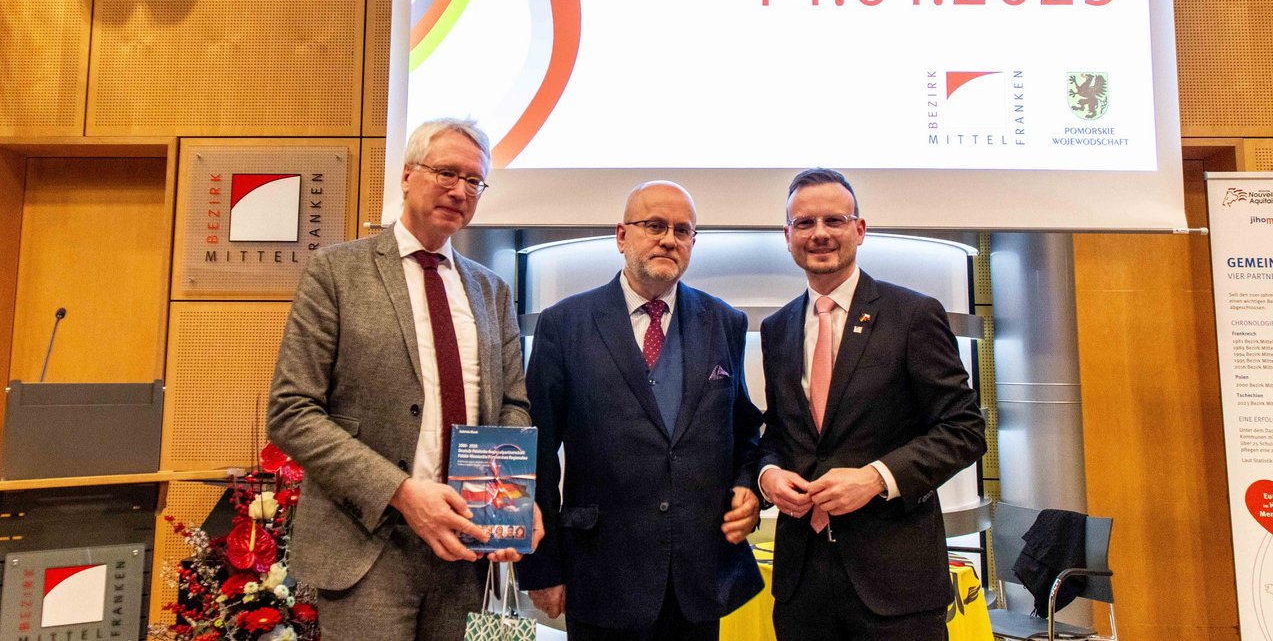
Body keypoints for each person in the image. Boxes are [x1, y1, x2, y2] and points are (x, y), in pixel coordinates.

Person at [267, 118, 540, 641]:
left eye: (474, 181)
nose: (460, 191)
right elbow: (292, 411)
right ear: (408, 175)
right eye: (446, 173)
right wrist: (401, 493)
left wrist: (506, 503)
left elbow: (513, 406)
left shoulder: (491, 291)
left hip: (467, 550)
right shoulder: (336, 272)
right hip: (369, 546)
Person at [521, 181, 765, 641]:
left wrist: (746, 486)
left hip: (696, 581)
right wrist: (542, 566)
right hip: (599, 576)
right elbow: (535, 451)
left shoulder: (724, 322)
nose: (668, 239)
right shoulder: (564, 324)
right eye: (654, 225)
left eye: (682, 230)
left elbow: (744, 431)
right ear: (620, 235)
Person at [758, 168, 986, 641]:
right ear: (787, 237)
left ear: (859, 230)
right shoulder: (776, 329)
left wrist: (876, 478)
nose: (819, 233)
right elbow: (780, 434)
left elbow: (964, 428)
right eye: (804, 223)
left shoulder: (913, 315)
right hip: (802, 587)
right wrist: (769, 475)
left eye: (834, 220)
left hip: (896, 587)